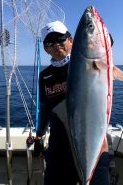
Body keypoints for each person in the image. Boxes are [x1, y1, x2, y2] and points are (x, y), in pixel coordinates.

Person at [34, 20, 110, 185]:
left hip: (93, 142)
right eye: (50, 42)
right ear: (46, 49)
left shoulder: (87, 62)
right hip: (58, 146)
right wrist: (39, 136)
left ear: (71, 39)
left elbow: (105, 42)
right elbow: (45, 109)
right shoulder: (45, 76)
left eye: (60, 38)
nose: (56, 45)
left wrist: (95, 35)